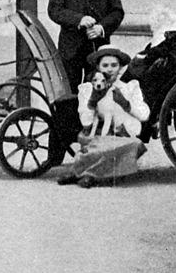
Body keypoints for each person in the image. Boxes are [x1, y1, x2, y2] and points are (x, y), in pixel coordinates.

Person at [47, 0, 125, 164]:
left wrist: (101, 27)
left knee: (98, 101)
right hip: (70, 50)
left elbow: (117, 12)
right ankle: (56, 155)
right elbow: (54, 10)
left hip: (97, 53)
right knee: (67, 100)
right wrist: (79, 20)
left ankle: (98, 155)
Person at [57, 46, 150, 188]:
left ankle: (81, 173)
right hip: (96, 133)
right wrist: (92, 101)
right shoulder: (88, 88)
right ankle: (89, 175)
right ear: (98, 68)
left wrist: (126, 104)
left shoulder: (129, 87)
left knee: (134, 144)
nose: (110, 69)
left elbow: (144, 115)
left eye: (114, 65)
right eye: (105, 65)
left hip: (122, 135)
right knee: (100, 144)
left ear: (120, 68)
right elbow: (85, 121)